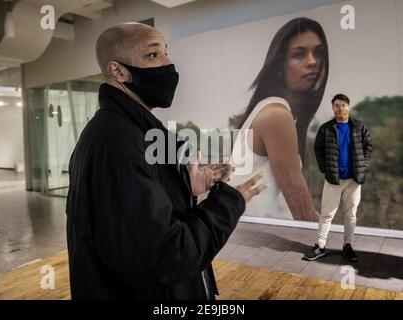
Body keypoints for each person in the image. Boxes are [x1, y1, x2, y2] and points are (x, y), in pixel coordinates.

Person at [65, 22, 267, 300]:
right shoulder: (117, 143)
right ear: (117, 70)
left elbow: (140, 218)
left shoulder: (129, 130)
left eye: (166, 52)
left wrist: (185, 186)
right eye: (153, 55)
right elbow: (166, 254)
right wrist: (229, 202)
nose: (169, 64)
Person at [229, 17, 328, 220]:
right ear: (279, 66)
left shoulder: (273, 111)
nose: (312, 62)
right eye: (299, 54)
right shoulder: (276, 116)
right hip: (253, 243)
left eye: (318, 53)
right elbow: (304, 215)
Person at [304, 94, 372, 262]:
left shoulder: (359, 127)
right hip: (333, 178)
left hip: (354, 180)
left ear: (348, 106)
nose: (340, 108)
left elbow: (368, 147)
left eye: (343, 105)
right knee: (327, 215)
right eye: (336, 105)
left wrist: (364, 167)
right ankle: (320, 246)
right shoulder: (325, 129)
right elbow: (317, 149)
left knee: (351, 215)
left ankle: (347, 246)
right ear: (333, 108)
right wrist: (325, 169)